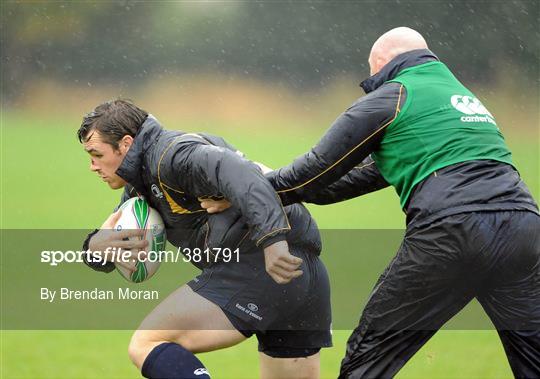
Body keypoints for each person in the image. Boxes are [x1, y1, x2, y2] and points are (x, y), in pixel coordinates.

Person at [204, 27, 540, 378]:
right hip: (524, 229)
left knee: (370, 356)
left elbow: (318, 167)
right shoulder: (461, 98)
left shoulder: (393, 95)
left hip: (453, 231)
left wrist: (245, 190)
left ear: (381, 63)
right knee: (533, 355)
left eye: (371, 73)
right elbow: (345, 180)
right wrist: (279, 188)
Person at [77, 99, 332, 379]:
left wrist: (273, 241)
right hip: (305, 275)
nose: (92, 166)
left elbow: (242, 173)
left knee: (147, 342)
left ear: (125, 144)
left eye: (96, 154)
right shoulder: (142, 181)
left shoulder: (173, 155)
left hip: (260, 265)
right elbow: (116, 240)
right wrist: (94, 248)